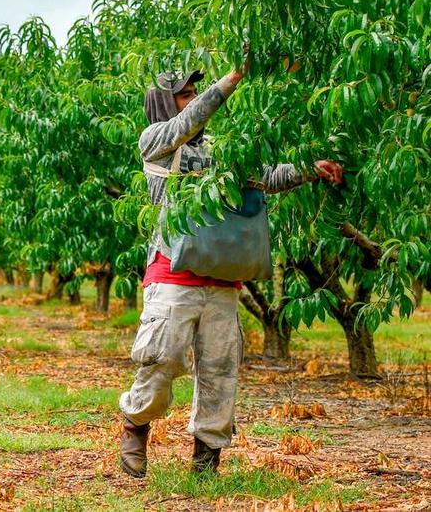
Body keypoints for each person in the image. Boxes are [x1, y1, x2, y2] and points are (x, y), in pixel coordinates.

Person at [119, 65, 344, 478]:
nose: (191, 100)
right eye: (183, 94)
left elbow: (268, 178)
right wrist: (232, 80)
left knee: (221, 370)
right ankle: (135, 426)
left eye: (193, 93)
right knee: (161, 359)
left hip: (223, 280)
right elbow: (187, 123)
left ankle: (207, 457)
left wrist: (312, 168)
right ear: (164, 103)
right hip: (173, 273)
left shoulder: (224, 150)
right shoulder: (157, 141)